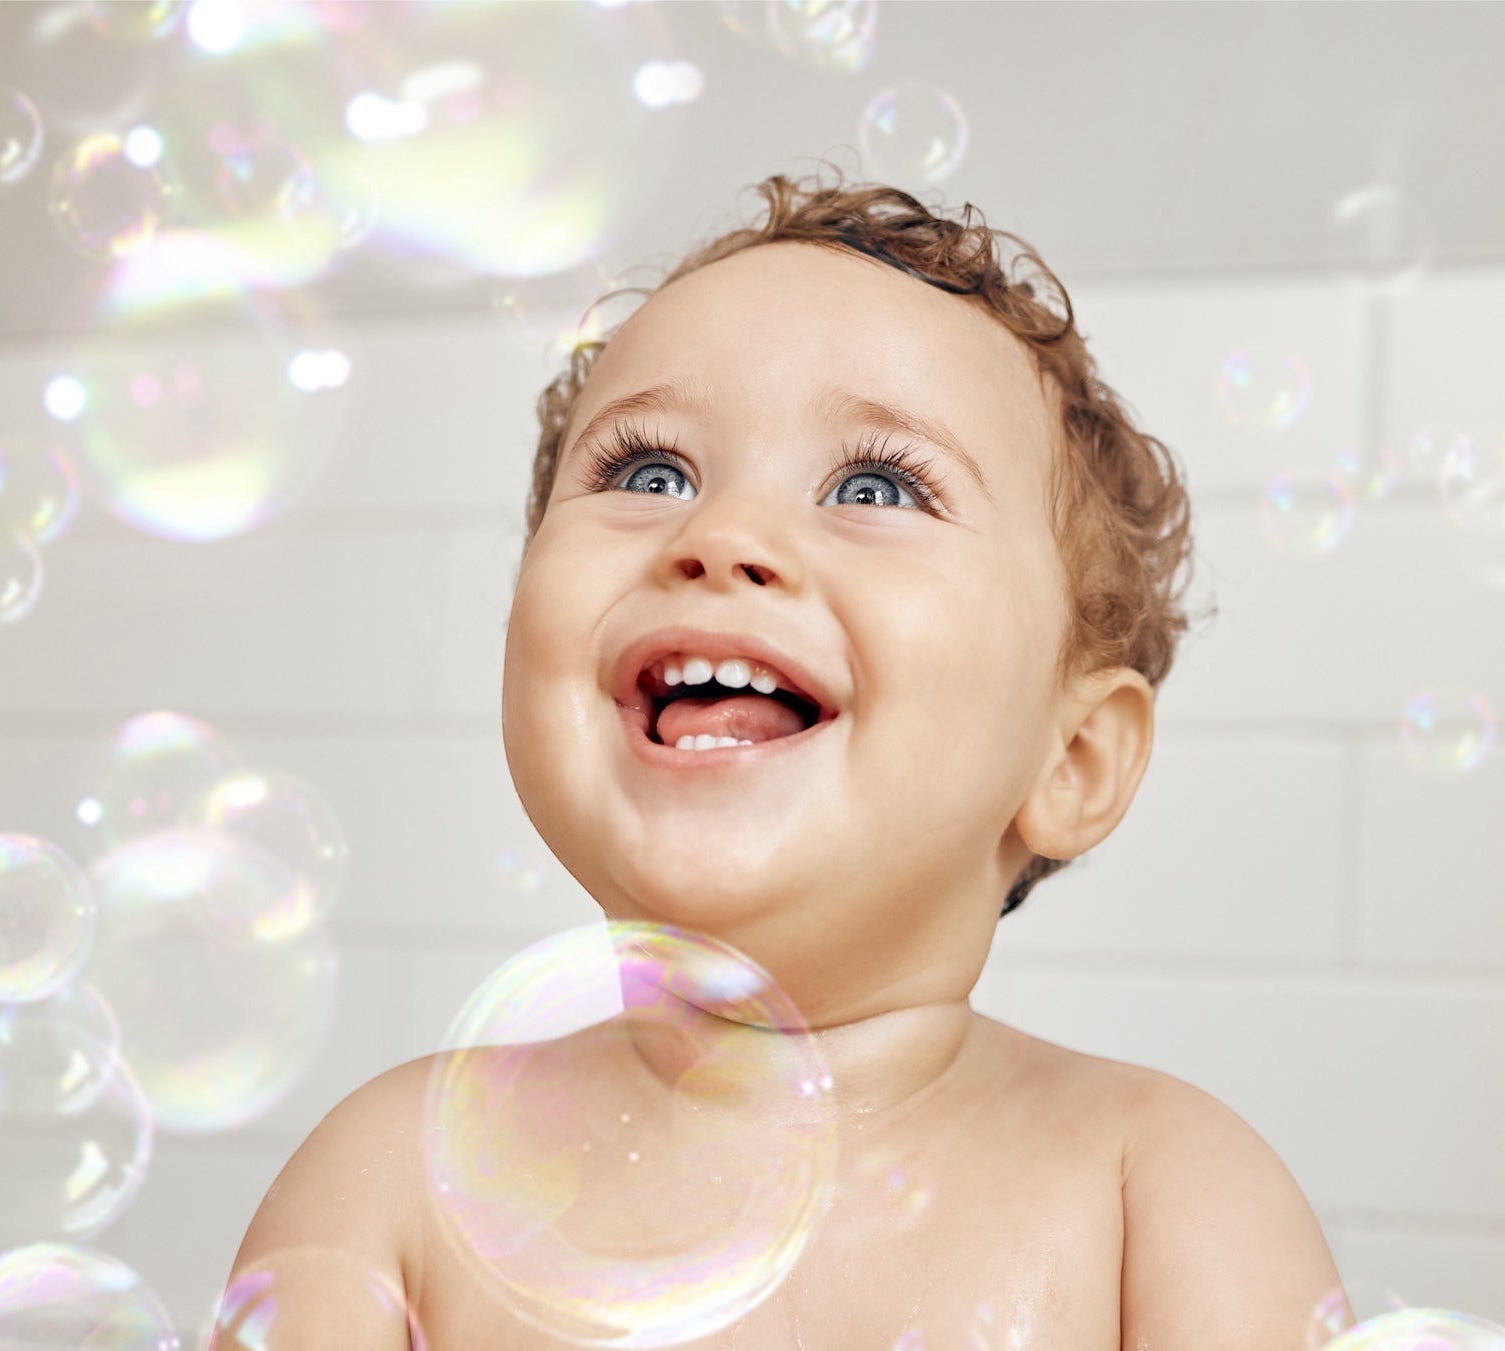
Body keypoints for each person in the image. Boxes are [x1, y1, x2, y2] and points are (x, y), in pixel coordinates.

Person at [227, 161, 1343, 1349]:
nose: (721, 536)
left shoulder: (1156, 1194)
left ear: (1070, 759)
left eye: (875, 484)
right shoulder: (385, 1189)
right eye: (647, 473)